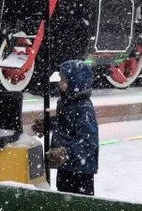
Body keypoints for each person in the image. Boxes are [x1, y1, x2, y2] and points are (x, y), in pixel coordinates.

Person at [33, 59, 99, 196]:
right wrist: (48, 124)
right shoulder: (66, 102)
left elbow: (89, 142)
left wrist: (66, 153)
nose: (59, 83)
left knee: (77, 203)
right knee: (63, 198)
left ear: (76, 83)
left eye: (64, 80)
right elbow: (64, 122)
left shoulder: (84, 108)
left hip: (80, 170)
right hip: (65, 165)